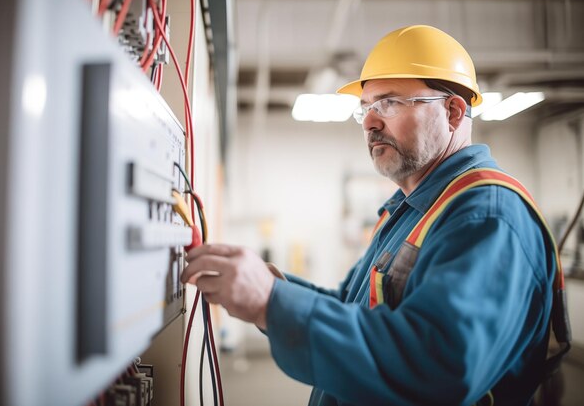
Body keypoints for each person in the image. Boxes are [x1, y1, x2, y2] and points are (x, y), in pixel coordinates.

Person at [181, 25, 568, 406]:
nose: (369, 121)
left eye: (390, 103)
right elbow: (355, 308)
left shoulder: (487, 217)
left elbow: (436, 368)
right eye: (366, 107)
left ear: (452, 112)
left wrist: (271, 302)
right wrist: (272, 288)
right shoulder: (409, 211)